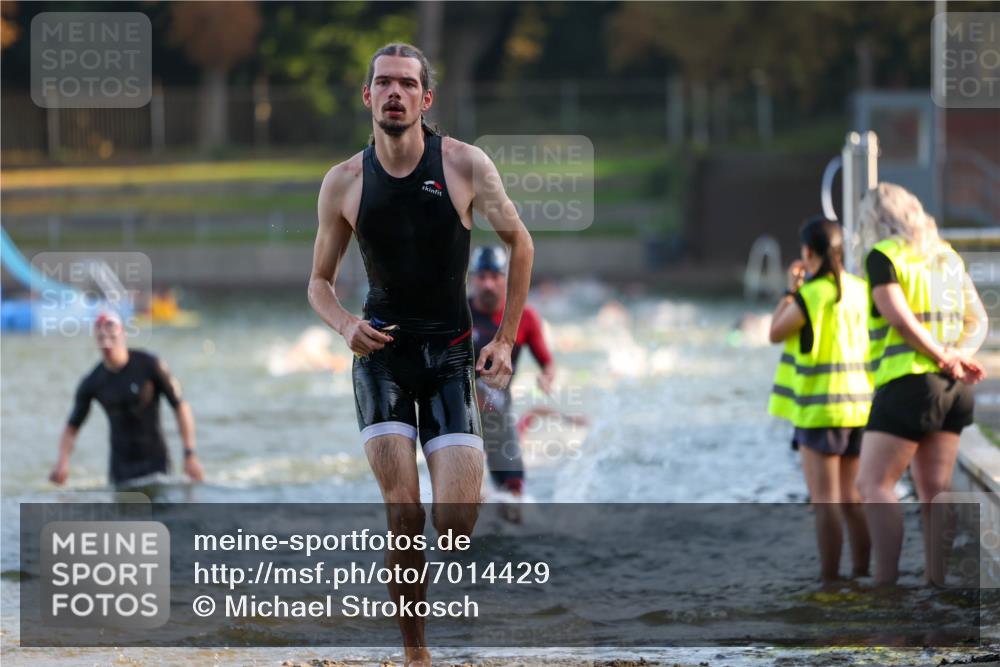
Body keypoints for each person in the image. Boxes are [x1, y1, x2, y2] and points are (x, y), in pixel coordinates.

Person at [306, 43, 533, 667]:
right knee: (403, 510)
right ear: (368, 95)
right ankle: (416, 653)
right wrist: (345, 325)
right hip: (380, 357)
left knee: (455, 526)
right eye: (384, 83)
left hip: (452, 358)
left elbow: (520, 243)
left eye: (407, 84)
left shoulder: (464, 164)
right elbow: (318, 283)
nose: (395, 93)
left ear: (426, 98)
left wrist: (505, 338)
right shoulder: (345, 182)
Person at [853, 183, 988, 586]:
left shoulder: (883, 256)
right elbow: (979, 319)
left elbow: (898, 317)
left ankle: (886, 586)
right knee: (935, 490)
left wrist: (942, 356)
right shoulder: (945, 256)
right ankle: (936, 583)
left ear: (874, 220)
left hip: (908, 384)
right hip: (955, 388)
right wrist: (959, 356)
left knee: (874, 484)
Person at [768, 216, 873, 584]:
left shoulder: (811, 295)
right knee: (852, 499)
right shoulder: (861, 290)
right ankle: (862, 575)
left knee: (825, 503)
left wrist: (790, 291)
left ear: (808, 252)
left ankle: (829, 584)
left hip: (820, 410)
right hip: (860, 408)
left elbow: (775, 332)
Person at [49, 311, 203, 488]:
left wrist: (189, 453)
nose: (107, 343)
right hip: (121, 470)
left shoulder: (150, 365)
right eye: (101, 338)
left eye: (112, 337)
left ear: (123, 335)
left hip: (157, 464)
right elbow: (72, 427)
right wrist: (62, 462)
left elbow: (180, 406)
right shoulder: (93, 381)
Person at [469, 245, 555, 504]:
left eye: (495, 276)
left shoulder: (524, 317)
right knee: (468, 498)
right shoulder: (459, 314)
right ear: (473, 279)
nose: (488, 284)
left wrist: (546, 378)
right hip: (463, 411)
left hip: (498, 412)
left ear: (506, 279)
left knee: (515, 495)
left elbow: (547, 363)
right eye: (482, 277)